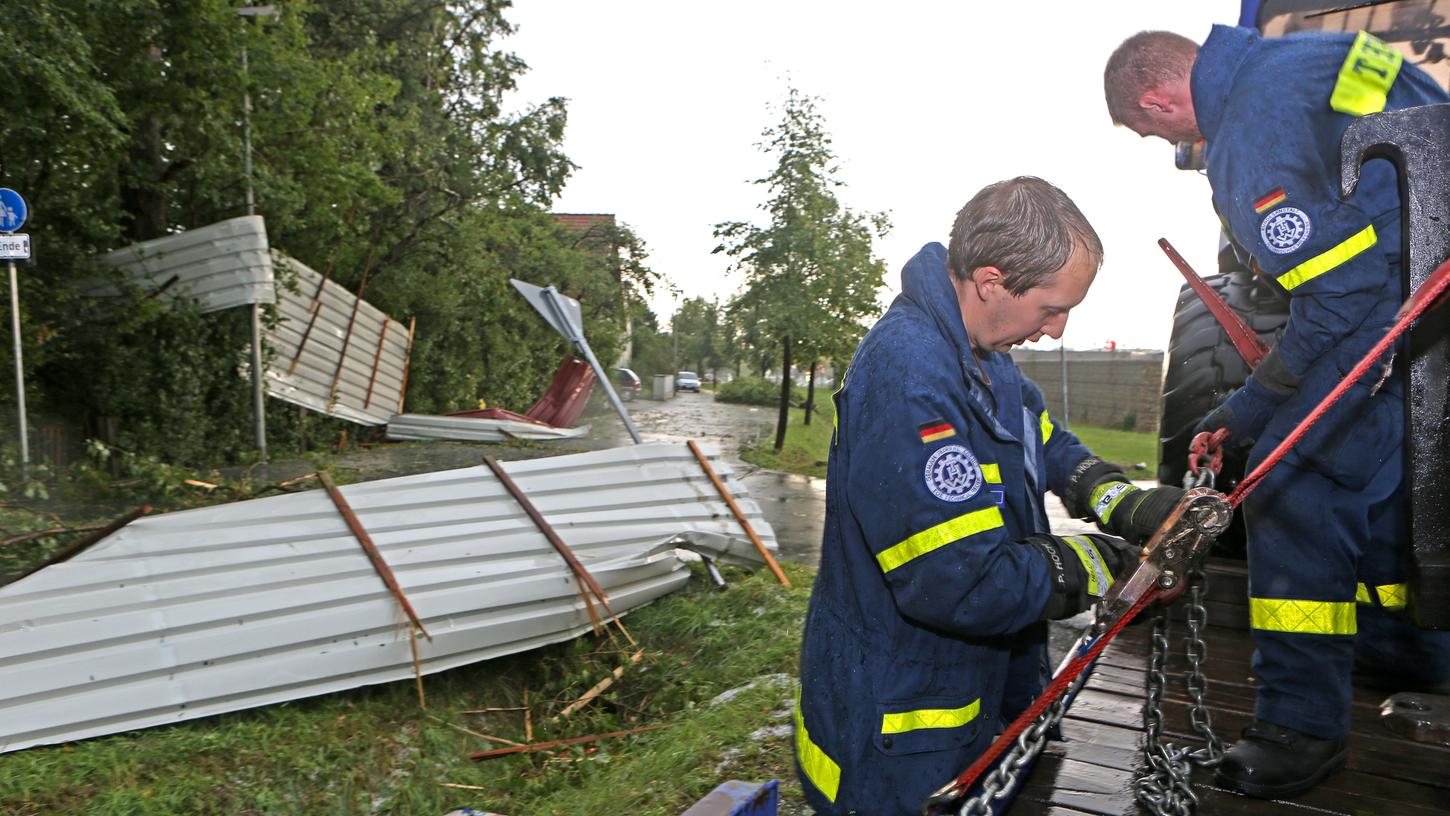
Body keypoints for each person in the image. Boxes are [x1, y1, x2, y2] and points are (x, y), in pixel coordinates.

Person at [1105, 26, 1450, 799]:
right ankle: (1415, 655)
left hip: (1391, 307)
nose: (1167, 142)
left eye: (1151, 128)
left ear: (1158, 98)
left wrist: (1254, 409)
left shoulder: (1249, 133)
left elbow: (1340, 300)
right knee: (1402, 488)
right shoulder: (1310, 60)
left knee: (1295, 488)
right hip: (1430, 305)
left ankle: (1300, 729)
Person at [795, 177, 1192, 814]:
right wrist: (1106, 564)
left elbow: (1038, 435)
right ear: (991, 281)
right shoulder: (909, 378)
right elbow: (961, 585)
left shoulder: (983, 355)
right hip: (901, 723)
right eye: (1051, 308)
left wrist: (1123, 499)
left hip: (971, 687)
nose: (1058, 331)